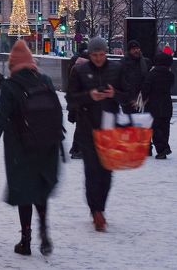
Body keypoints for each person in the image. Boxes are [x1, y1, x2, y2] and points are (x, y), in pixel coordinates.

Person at [0, 41, 60, 257]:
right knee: (40, 189)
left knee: (25, 190)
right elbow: (56, 112)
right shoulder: (44, 80)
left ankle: (26, 240)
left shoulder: (11, 86)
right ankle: (44, 228)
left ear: (13, 63)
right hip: (46, 144)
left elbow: (1, 117)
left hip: (20, 147)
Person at [65, 37, 122, 232]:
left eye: (101, 54)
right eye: (94, 55)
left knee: (106, 171)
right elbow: (70, 99)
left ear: (106, 53)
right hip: (87, 127)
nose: (98, 58)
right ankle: (95, 211)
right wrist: (89, 97)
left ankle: (100, 208)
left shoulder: (116, 69)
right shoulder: (80, 70)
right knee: (91, 171)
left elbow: (129, 95)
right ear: (89, 55)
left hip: (109, 128)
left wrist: (115, 94)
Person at [141, 51, 175, 159]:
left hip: (153, 105)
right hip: (167, 104)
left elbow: (146, 88)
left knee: (155, 128)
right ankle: (164, 148)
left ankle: (163, 149)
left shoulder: (152, 74)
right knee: (165, 127)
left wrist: (143, 97)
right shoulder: (170, 75)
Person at [119, 39, 150, 113]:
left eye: (137, 48)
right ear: (129, 50)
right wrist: (131, 99)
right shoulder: (123, 63)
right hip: (129, 101)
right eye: (133, 49)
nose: (136, 50)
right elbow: (123, 81)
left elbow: (147, 80)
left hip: (142, 99)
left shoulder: (145, 62)